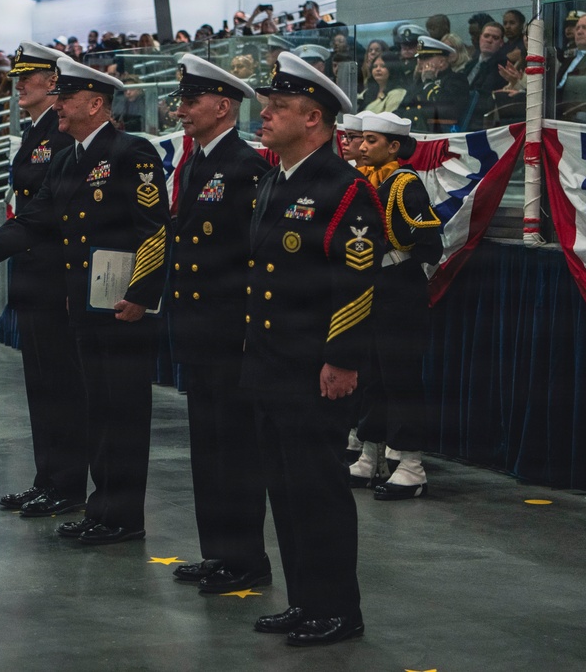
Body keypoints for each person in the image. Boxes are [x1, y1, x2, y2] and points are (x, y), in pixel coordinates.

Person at [0, 57, 171, 546]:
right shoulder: (67, 159)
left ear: (95, 104)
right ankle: (102, 508)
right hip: (83, 304)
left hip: (123, 307)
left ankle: (124, 515)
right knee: (100, 411)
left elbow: (154, 231)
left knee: (123, 416)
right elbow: (36, 220)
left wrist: (141, 296)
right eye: (58, 97)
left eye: (66, 99)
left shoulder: (133, 152)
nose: (57, 106)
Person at [245, 51, 383, 646]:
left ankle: (337, 609)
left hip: (315, 366)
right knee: (285, 487)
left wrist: (343, 357)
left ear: (315, 120)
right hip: (272, 362)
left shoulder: (343, 187)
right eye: (268, 105)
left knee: (319, 490)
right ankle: (304, 601)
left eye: (279, 108)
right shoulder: (276, 179)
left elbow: (356, 279)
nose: (266, 115)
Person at [165, 54, 273, 594]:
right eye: (182, 101)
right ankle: (219, 552)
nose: (181, 110)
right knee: (208, 450)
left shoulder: (245, 168)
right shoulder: (200, 163)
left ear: (223, 106)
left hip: (231, 333)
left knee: (236, 451)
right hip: (201, 332)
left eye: (191, 101)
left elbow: (254, 258)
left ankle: (246, 558)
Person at [0, 41, 87, 518]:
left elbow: (51, 209)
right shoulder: (38, 130)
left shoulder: (63, 130)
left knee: (61, 387)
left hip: (55, 274)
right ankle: (47, 477)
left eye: (25, 78)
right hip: (32, 273)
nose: (18, 86)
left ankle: (68, 484)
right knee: (40, 386)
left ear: (52, 82)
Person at [349, 112, 441, 500]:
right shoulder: (369, 182)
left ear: (394, 147)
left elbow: (430, 243)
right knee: (371, 373)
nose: (364, 146)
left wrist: (402, 274)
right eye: (364, 139)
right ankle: (371, 453)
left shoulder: (405, 185)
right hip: (372, 288)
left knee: (399, 377)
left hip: (398, 288)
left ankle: (411, 464)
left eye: (373, 140)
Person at [399, 37, 470, 132]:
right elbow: (403, 107)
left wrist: (429, 83)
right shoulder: (420, 81)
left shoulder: (455, 79)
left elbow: (448, 111)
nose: (420, 62)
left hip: (435, 135)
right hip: (413, 131)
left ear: (441, 62)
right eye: (419, 57)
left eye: (425, 57)